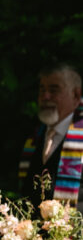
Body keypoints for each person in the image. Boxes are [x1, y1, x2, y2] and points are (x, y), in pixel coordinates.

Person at [18, 63, 83, 213]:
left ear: (76, 95)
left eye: (54, 90)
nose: (45, 97)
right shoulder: (34, 136)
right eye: (42, 90)